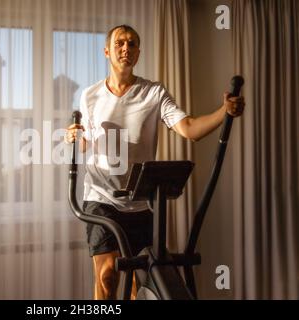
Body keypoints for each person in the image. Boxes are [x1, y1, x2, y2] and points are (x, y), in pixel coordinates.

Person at [65, 25, 245, 300]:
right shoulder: (90, 95)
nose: (126, 48)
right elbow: (87, 142)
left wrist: (224, 112)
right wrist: (76, 137)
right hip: (100, 197)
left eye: (132, 44)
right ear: (107, 51)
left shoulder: (154, 93)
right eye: (120, 43)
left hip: (141, 200)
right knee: (107, 276)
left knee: (142, 282)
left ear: (138, 53)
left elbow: (189, 129)